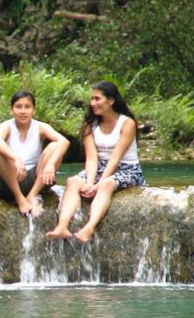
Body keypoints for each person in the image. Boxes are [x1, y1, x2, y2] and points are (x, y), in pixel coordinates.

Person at [46, 81, 146, 243]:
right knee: (73, 182)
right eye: (92, 99)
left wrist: (98, 185)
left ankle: (88, 228)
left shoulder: (127, 123)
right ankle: (62, 227)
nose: (93, 103)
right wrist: (90, 183)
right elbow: (92, 159)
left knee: (106, 184)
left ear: (111, 101)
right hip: (99, 167)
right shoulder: (89, 125)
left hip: (127, 168)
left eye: (97, 99)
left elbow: (115, 158)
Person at [0, 90, 70, 216]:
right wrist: (15, 158)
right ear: (11, 110)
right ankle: (20, 198)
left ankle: (32, 196)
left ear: (34, 110)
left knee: (54, 146)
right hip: (9, 184)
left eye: (27, 107)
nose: (23, 111)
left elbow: (64, 141)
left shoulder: (40, 127)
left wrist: (51, 163)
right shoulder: (6, 126)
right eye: (18, 107)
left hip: (35, 181)